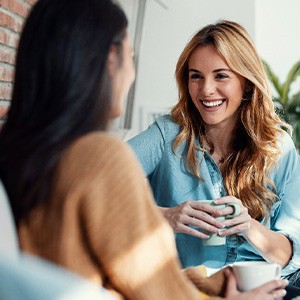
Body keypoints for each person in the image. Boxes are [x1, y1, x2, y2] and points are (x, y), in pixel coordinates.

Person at [0, 1, 288, 299]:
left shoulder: (24, 154)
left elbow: (124, 273)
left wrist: (214, 284)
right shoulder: (102, 158)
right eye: (131, 56)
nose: (206, 89)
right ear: (112, 60)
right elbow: (158, 290)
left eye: (221, 76)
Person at [128, 20, 300, 288]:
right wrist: (164, 215)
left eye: (221, 75)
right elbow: (96, 184)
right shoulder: (168, 135)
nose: (206, 90)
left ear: (246, 82)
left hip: (261, 291)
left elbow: (287, 254)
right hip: (189, 290)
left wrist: (249, 227)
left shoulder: (278, 146)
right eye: (196, 76)